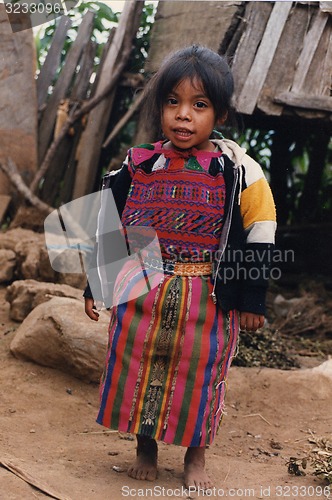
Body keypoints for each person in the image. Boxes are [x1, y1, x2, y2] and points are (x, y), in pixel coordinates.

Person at [84, 45, 276, 490]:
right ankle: (145, 446)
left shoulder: (238, 171)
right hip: (144, 287)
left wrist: (252, 299)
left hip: (209, 296)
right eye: (173, 102)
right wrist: (97, 286)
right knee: (140, 365)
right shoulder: (138, 165)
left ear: (221, 115)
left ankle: (195, 456)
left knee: (202, 373)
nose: (183, 116)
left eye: (199, 105)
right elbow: (108, 225)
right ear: (160, 108)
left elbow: (261, 234)